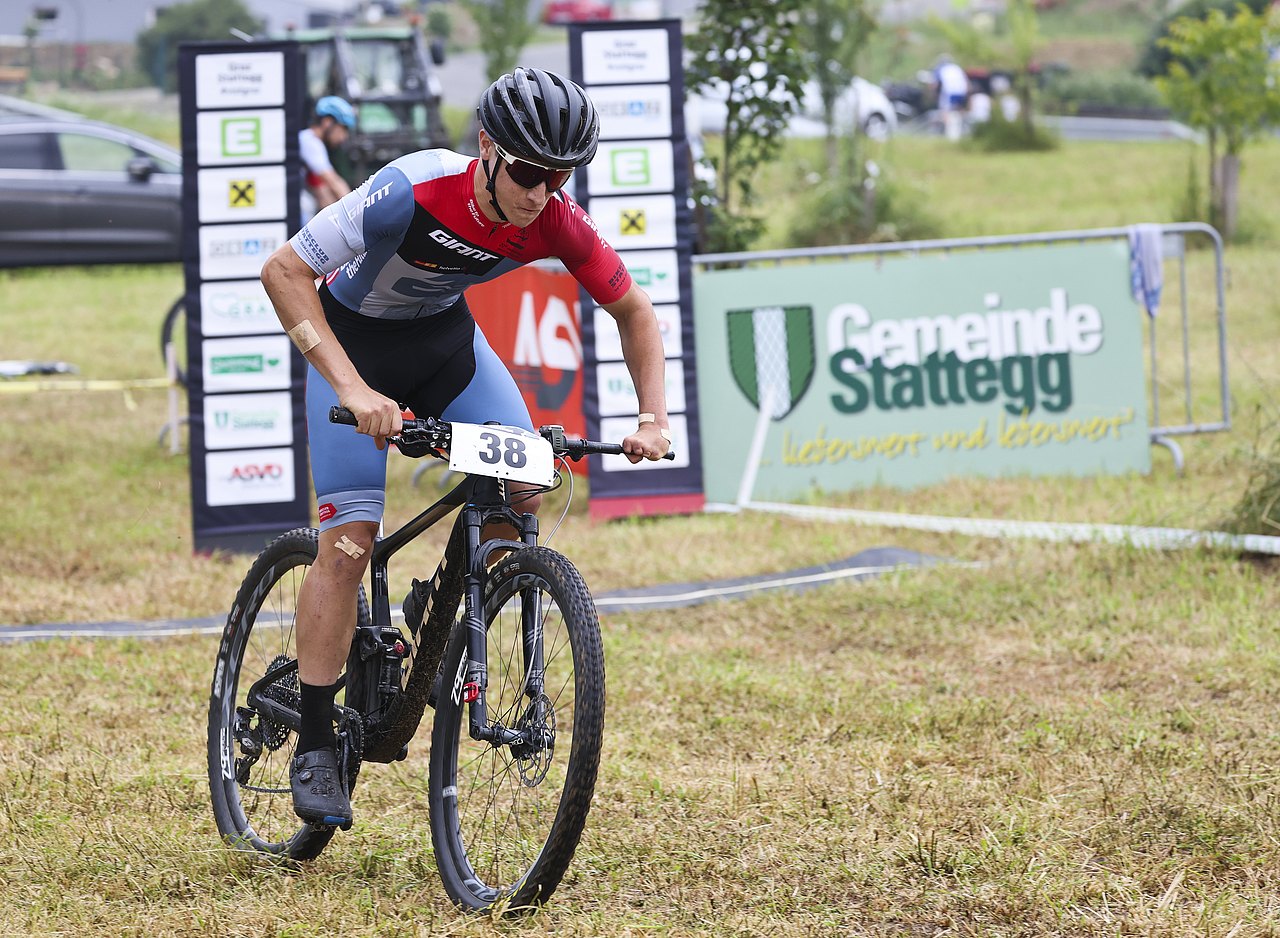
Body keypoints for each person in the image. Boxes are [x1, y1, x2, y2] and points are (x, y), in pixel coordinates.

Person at [260, 67, 672, 828]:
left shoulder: (552, 217)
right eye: (526, 171)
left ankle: (452, 606)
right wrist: (352, 389)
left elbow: (634, 310)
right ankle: (315, 742)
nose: (541, 191)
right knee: (348, 547)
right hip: (352, 348)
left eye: (558, 176)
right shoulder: (409, 189)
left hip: (444, 347)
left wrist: (654, 417)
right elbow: (283, 270)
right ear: (487, 147)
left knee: (526, 481)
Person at [299, 95, 356, 221]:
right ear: (327, 122)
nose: (344, 137)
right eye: (343, 128)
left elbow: (323, 192)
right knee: (306, 205)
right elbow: (333, 181)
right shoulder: (310, 141)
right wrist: (356, 210)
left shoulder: (313, 144)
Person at [932, 55, 969, 141]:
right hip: (962, 91)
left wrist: (934, 95)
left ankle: (948, 136)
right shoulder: (957, 68)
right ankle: (959, 132)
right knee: (958, 112)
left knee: (945, 112)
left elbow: (935, 84)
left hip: (949, 91)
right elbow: (966, 83)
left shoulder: (940, 68)